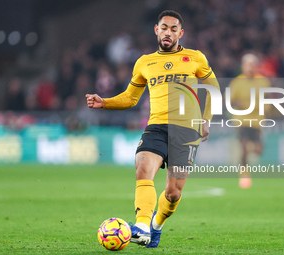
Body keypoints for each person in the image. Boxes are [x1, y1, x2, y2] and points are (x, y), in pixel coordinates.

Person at [86, 10, 220, 248]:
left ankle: (156, 225)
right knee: (143, 167)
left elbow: (214, 89)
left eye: (173, 28)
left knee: (173, 193)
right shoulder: (144, 62)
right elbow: (130, 97)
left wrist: (205, 119)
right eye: (164, 28)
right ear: (157, 30)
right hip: (156, 127)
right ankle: (142, 226)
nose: (168, 32)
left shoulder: (195, 58)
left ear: (181, 33)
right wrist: (105, 102)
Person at [228, 54, 271, 189]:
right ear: (243, 67)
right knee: (244, 147)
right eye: (247, 65)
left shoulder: (263, 82)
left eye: (252, 65)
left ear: (256, 67)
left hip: (257, 121)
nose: (249, 68)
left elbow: (269, 99)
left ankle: (242, 161)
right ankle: (244, 175)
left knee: (258, 150)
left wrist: (267, 108)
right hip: (242, 120)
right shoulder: (237, 82)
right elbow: (228, 100)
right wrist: (237, 103)